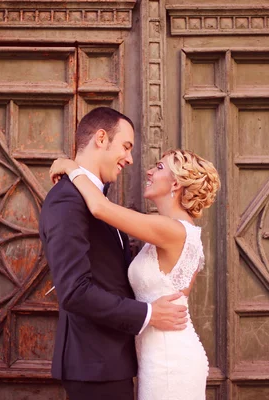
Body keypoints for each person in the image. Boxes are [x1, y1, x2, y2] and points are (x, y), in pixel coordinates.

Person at [39, 107, 189, 400]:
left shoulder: (98, 200)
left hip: (114, 362)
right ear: (101, 138)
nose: (130, 159)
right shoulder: (67, 201)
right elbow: (75, 291)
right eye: (126, 146)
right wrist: (148, 313)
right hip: (93, 365)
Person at [49, 147, 220, 400]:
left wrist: (71, 167)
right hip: (154, 355)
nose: (149, 171)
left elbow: (99, 208)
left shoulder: (172, 230)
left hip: (170, 361)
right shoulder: (169, 231)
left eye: (159, 167)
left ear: (176, 183)